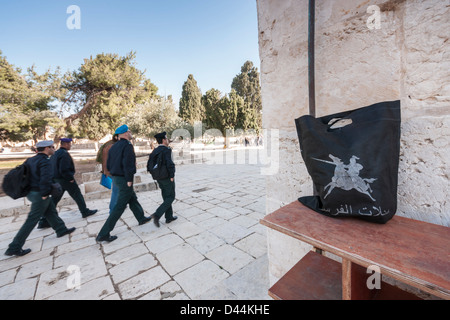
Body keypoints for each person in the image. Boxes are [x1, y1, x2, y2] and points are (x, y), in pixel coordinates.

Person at [5, 141, 76, 257]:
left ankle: (61, 229)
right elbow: (45, 179)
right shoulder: (45, 161)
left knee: (50, 210)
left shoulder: (31, 160)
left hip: (31, 192)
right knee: (32, 219)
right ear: (47, 148)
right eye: (52, 147)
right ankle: (14, 246)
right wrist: (44, 193)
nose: (54, 149)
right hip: (39, 194)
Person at [96, 125, 152, 242]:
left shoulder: (113, 146)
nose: (131, 133)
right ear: (125, 133)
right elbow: (128, 164)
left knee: (132, 198)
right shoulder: (127, 146)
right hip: (124, 179)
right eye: (129, 131)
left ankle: (141, 218)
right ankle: (103, 233)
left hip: (116, 177)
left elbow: (109, 164)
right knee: (120, 206)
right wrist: (129, 179)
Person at [37, 138, 97, 229]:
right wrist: (70, 178)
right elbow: (64, 169)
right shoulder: (64, 154)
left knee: (54, 199)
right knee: (77, 195)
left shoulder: (55, 153)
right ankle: (84, 211)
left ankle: (44, 220)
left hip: (57, 179)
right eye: (69, 144)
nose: (70, 145)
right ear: (65, 144)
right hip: (65, 180)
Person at [149, 132, 177, 227]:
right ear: (164, 140)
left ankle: (169, 217)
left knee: (166, 196)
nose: (168, 140)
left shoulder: (155, 151)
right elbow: (170, 164)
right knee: (171, 196)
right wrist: (172, 175)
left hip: (158, 177)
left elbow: (149, 165)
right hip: (167, 177)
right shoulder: (166, 150)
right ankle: (157, 214)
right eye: (166, 138)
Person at [96, 134, 119, 214]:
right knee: (116, 190)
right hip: (112, 171)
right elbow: (104, 159)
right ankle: (112, 210)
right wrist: (105, 170)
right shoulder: (110, 146)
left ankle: (120, 205)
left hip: (112, 170)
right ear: (116, 137)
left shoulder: (110, 144)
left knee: (119, 189)